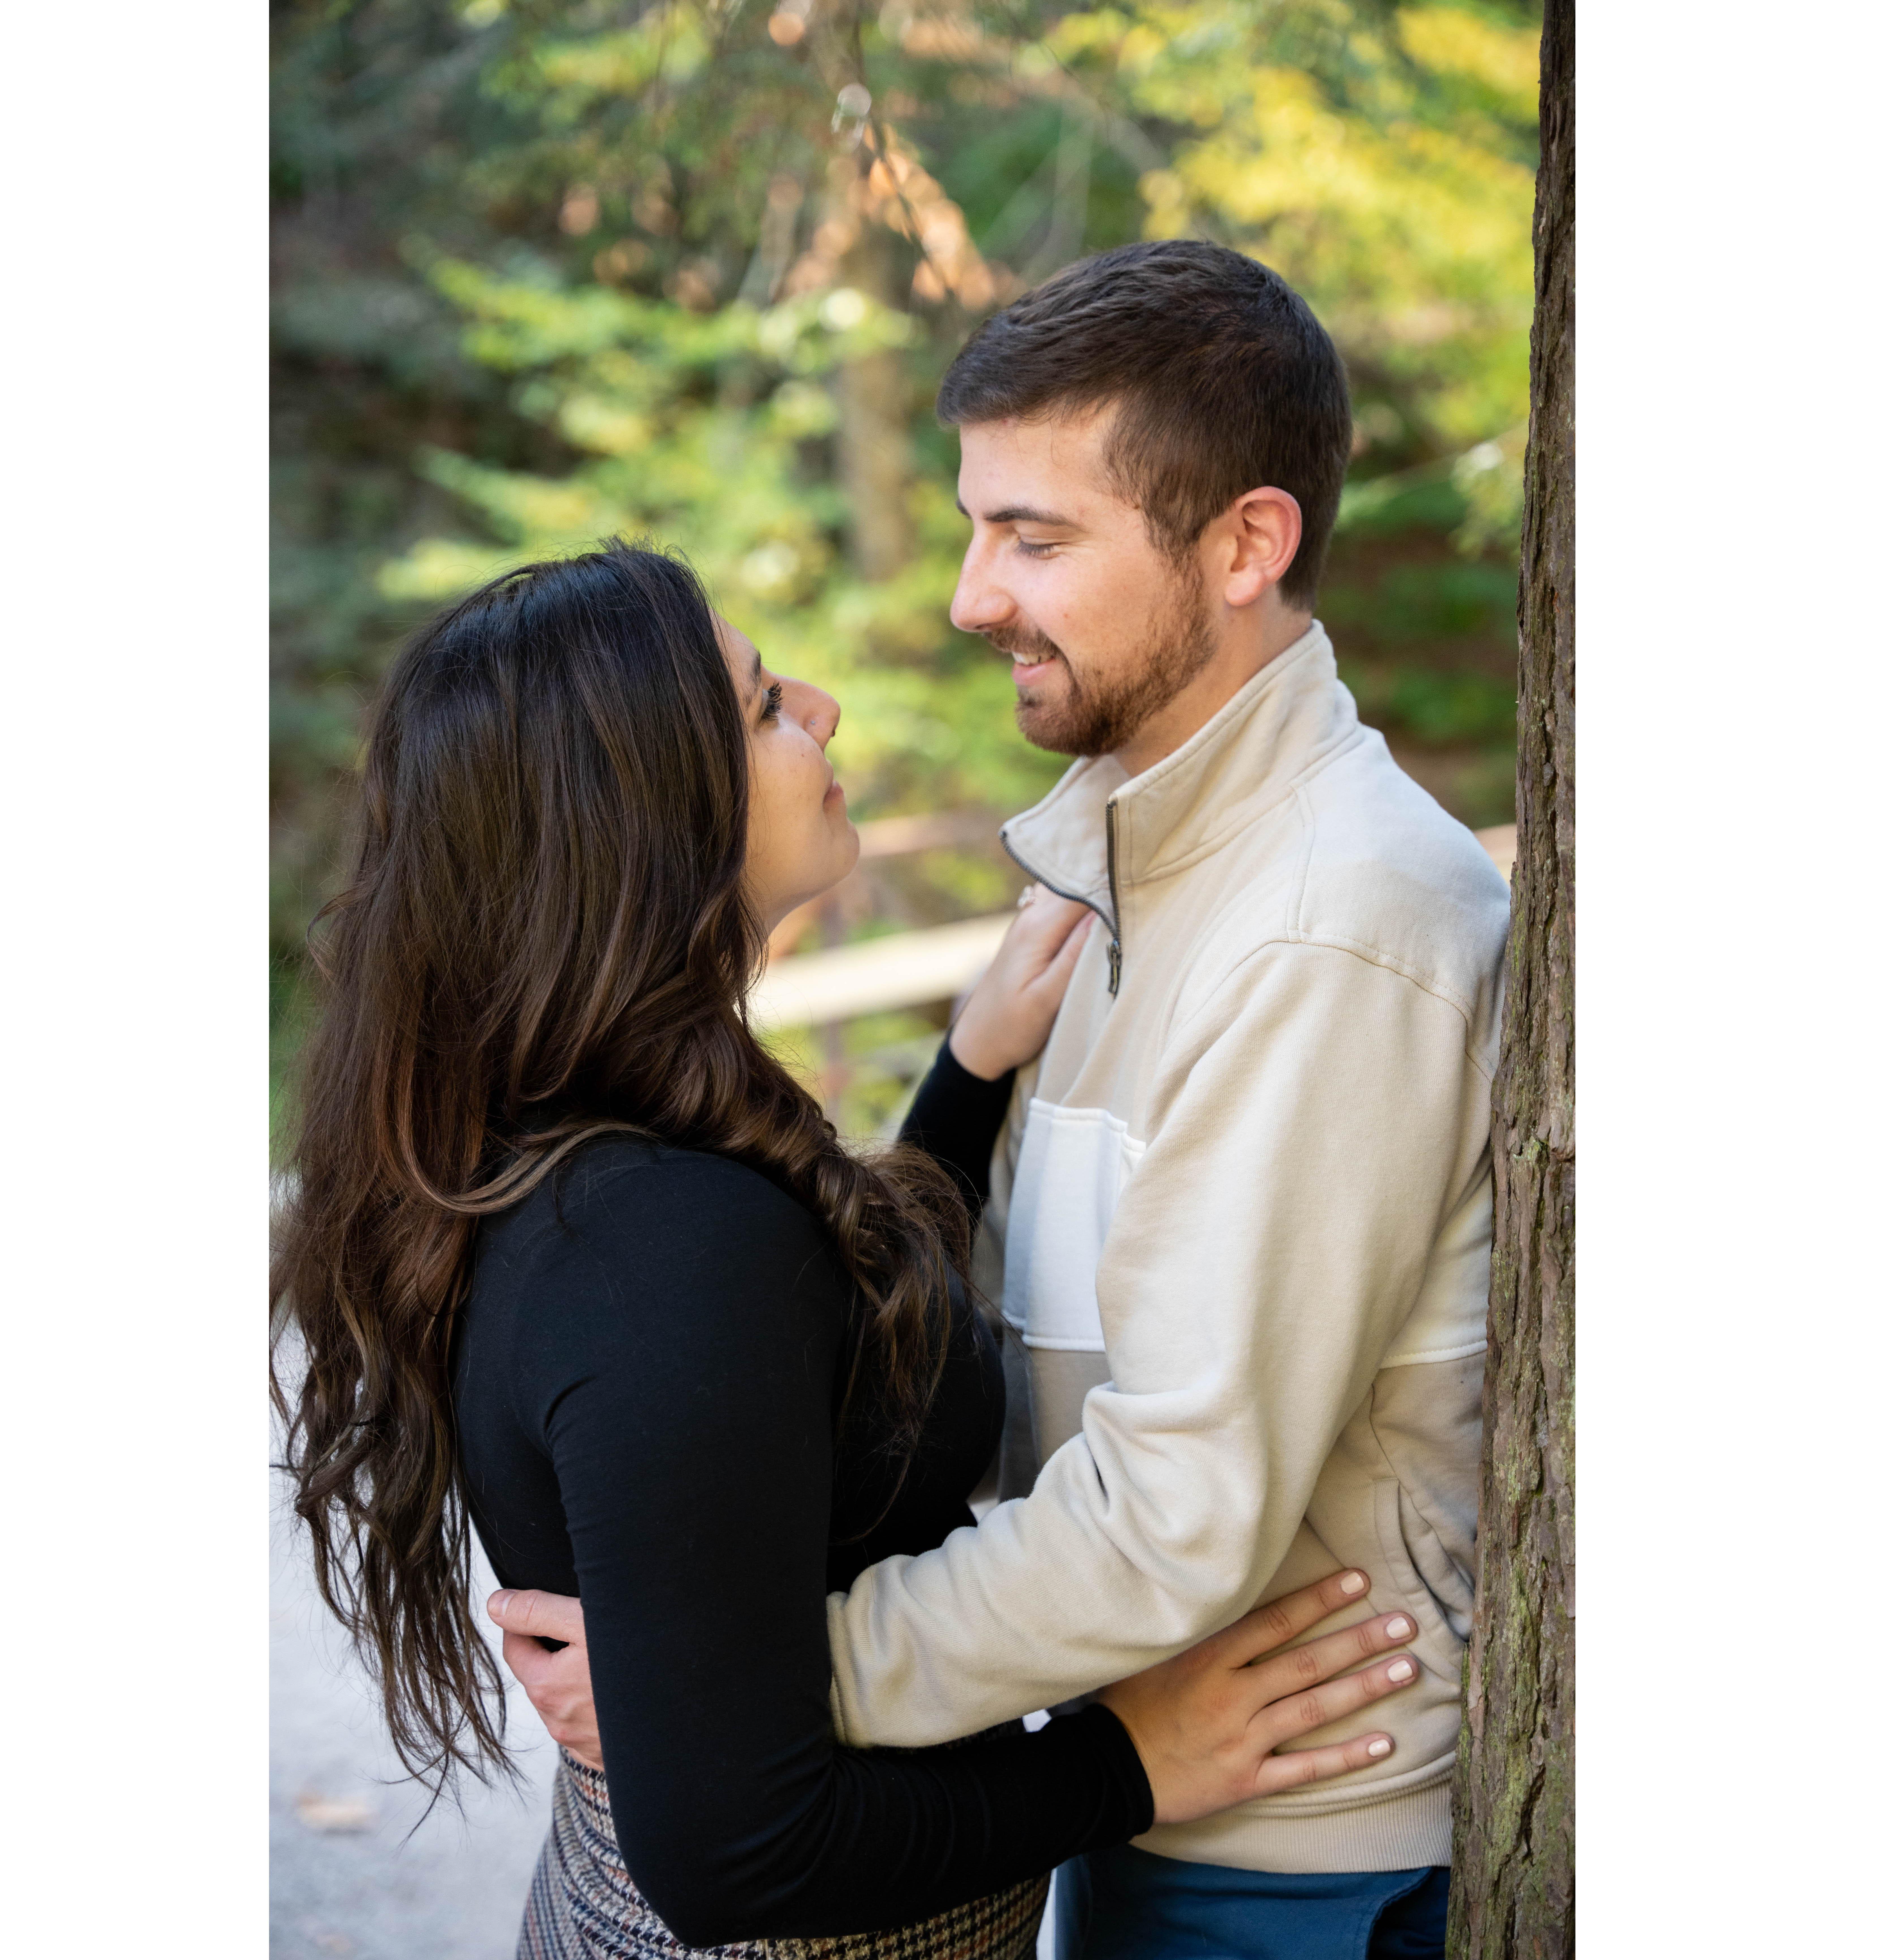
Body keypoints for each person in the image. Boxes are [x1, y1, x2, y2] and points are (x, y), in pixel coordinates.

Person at [489, 241, 1513, 1959]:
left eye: (1034, 540)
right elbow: (936, 1346)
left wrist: (736, 1680)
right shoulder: (1118, 878)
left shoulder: (1335, 929)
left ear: (1246, 544)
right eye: (975, 526)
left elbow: (1172, 1510)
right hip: (1149, 1793)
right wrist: (961, 1086)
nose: (973, 598)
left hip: (1298, 1847)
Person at [272, 542, 1429, 1959]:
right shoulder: (662, 1244)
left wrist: (967, 1075)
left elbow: (823, 1374)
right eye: (765, 706)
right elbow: (737, 1853)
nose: (821, 707)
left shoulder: (592, 1148)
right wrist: (1129, 1767)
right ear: (644, 817)